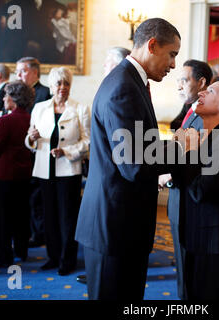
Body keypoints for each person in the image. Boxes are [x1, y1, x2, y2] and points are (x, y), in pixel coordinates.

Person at [75, 18, 183, 300]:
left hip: (121, 222)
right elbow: (134, 164)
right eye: (172, 54)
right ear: (152, 45)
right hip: (115, 225)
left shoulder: (130, 81)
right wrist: (186, 150)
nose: (173, 65)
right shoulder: (124, 87)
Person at [171, 77, 219, 300]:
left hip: (215, 243)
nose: (202, 93)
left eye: (211, 91)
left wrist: (182, 155)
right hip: (198, 235)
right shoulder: (207, 137)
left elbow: (200, 190)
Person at [26, 66, 90, 276]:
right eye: (59, 83)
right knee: (49, 217)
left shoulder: (80, 108)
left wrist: (67, 151)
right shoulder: (40, 108)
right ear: (51, 87)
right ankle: (53, 257)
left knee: (67, 218)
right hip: (45, 171)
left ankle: (67, 259)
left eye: (66, 83)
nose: (63, 87)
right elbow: (30, 139)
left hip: (69, 172)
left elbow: (88, 141)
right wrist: (31, 139)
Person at [76, 45, 132, 285]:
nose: (103, 67)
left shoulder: (117, 87)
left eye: (107, 62)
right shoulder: (120, 89)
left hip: (110, 205)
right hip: (109, 205)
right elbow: (130, 159)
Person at [158, 59, 212, 299]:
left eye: (184, 80)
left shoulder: (206, 115)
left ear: (201, 82)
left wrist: (169, 174)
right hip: (181, 200)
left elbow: (197, 159)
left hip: (191, 202)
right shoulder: (192, 111)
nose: (178, 85)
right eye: (178, 80)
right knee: (183, 267)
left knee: (191, 271)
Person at [0, 80, 34, 268]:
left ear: (14, 98)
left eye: (6, 95)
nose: (4, 98)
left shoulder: (5, 120)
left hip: (3, 174)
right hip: (23, 173)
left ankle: (2, 256)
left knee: (2, 218)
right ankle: (21, 251)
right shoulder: (31, 118)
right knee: (21, 214)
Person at [16, 56, 51, 248]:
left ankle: (40, 234)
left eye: (23, 71)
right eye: (17, 72)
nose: (19, 75)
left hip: (39, 153)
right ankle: (29, 232)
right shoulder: (18, 93)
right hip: (22, 153)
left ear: (35, 72)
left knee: (37, 197)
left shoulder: (45, 93)